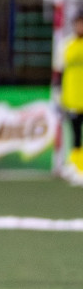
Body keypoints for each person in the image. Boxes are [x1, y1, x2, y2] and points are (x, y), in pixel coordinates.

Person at [56, 12, 83, 179]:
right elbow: (59, 70)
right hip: (73, 96)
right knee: (75, 133)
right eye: (78, 23)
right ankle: (76, 165)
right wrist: (59, 93)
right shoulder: (67, 44)